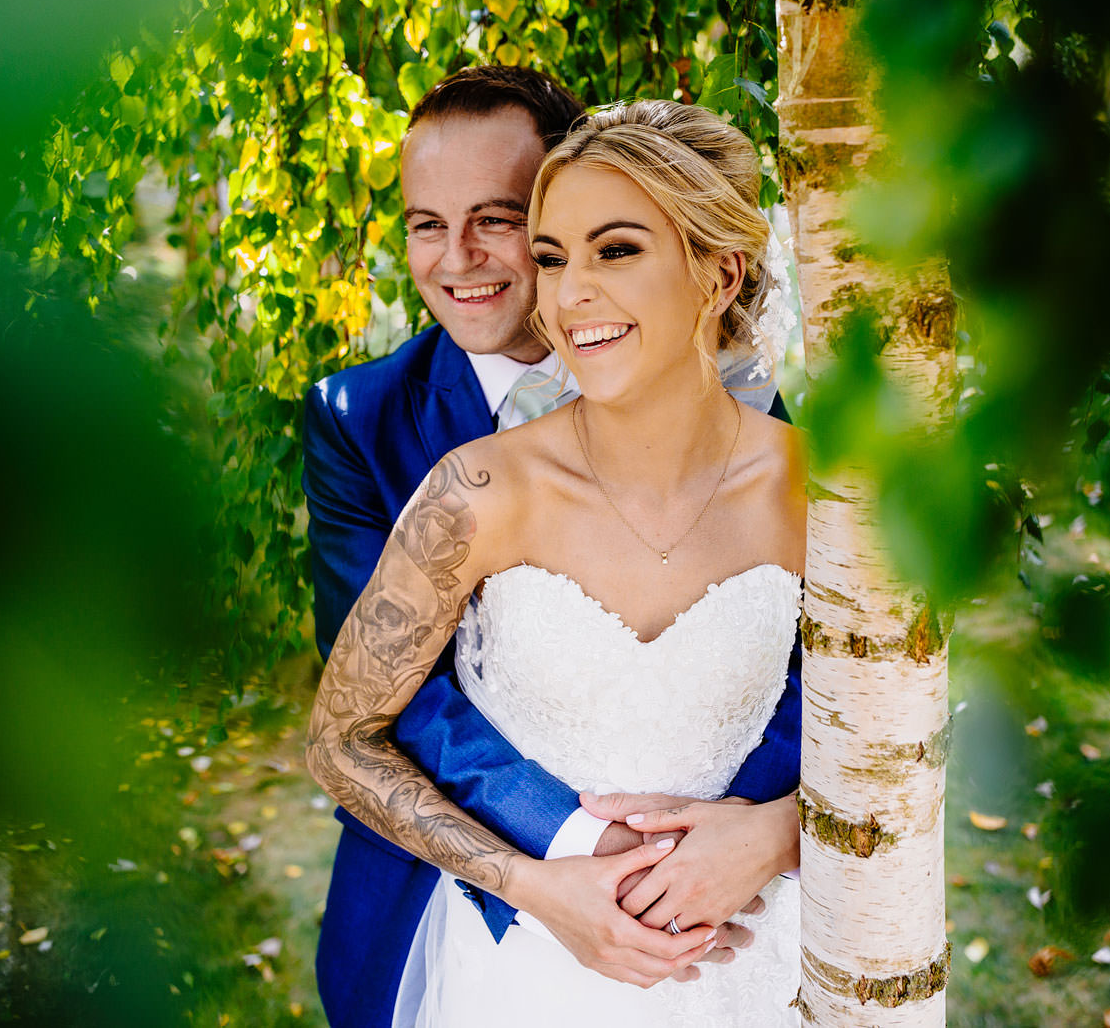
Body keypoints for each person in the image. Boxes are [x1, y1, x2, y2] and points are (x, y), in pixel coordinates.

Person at [302, 70, 801, 1028]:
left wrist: (765, 838)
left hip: (740, 933)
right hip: (498, 932)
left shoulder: (790, 459)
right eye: (424, 223)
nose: (461, 259)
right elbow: (385, 711)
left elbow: (845, 689)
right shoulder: (395, 441)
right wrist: (563, 864)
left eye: (497, 220)